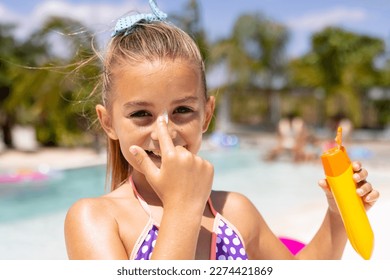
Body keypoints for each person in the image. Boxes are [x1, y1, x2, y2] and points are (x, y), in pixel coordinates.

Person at [64, 0, 380, 260]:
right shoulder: (96, 220)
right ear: (109, 123)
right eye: (141, 114)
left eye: (182, 110)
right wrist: (182, 207)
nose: (165, 132)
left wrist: (338, 216)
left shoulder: (234, 212)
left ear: (207, 115)